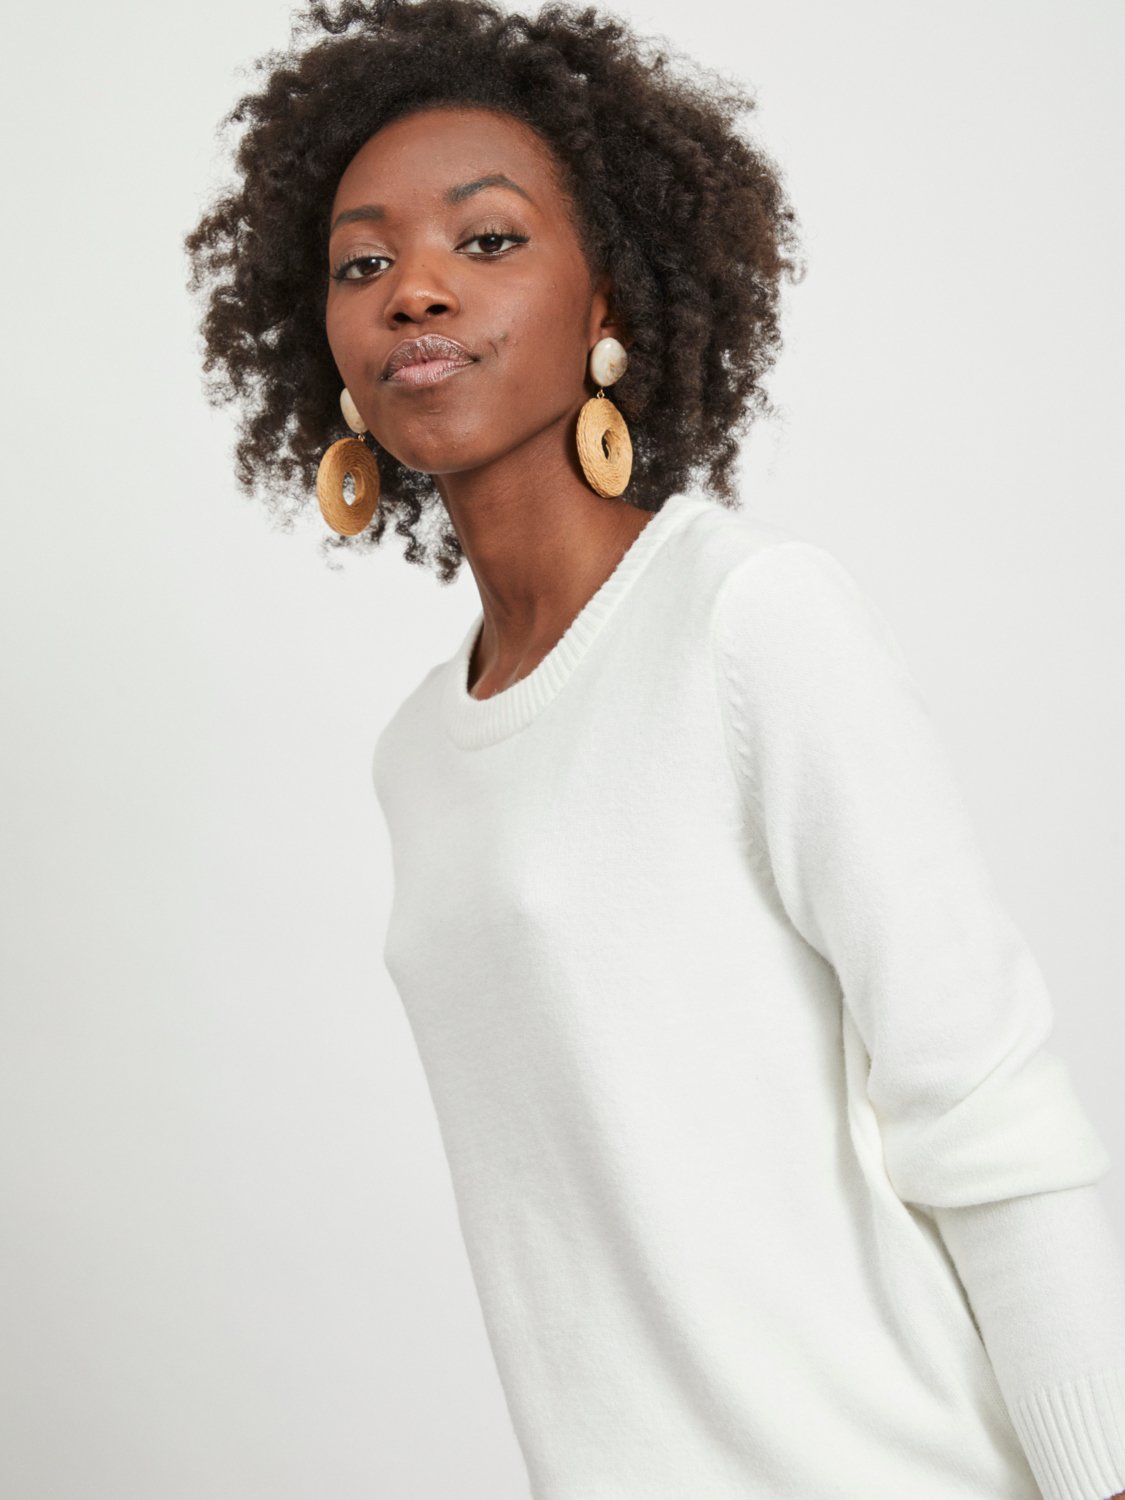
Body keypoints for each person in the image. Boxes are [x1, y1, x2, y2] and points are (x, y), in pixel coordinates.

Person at [183, 1, 1125, 1496]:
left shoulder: (747, 619)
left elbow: (987, 1112)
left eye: (487, 241)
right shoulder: (417, 755)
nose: (415, 287)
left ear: (605, 297)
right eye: (362, 264)